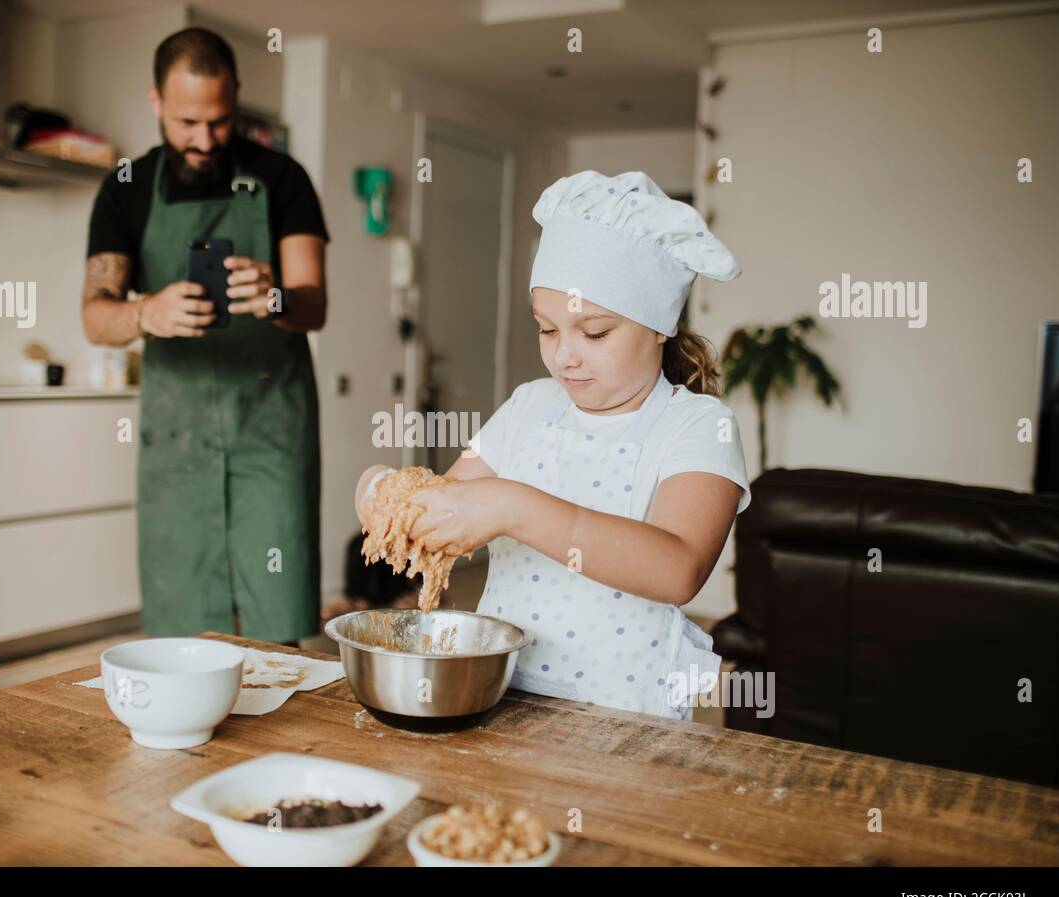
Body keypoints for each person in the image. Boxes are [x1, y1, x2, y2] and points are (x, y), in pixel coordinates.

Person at [355, 169, 750, 718]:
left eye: (595, 333)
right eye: (547, 329)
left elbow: (678, 569)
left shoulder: (699, 426)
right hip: (501, 695)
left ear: (660, 325)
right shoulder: (531, 406)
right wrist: (388, 497)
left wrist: (515, 507)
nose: (565, 356)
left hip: (626, 717)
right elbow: (450, 512)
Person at [82, 28, 329, 643]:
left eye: (218, 121)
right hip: (177, 440)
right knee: (181, 623)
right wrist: (146, 313)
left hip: (271, 429)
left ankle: (282, 738)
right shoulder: (125, 188)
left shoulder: (284, 178)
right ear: (155, 100)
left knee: (278, 617)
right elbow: (94, 316)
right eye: (187, 121)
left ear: (237, 98)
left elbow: (313, 304)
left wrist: (273, 295)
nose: (203, 139)